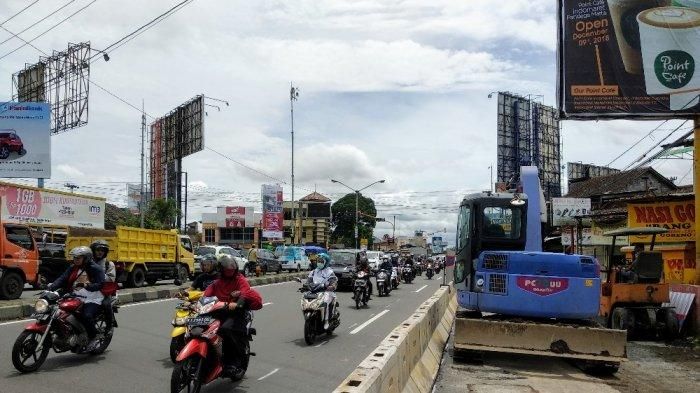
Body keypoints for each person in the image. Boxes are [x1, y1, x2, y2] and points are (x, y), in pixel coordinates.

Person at [204, 255, 262, 376]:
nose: (229, 270)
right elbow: (206, 294)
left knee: (226, 329)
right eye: (226, 268)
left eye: (231, 267)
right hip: (219, 311)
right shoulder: (217, 282)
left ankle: (233, 361)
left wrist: (237, 304)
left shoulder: (240, 279)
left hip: (237, 312)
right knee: (203, 328)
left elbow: (245, 293)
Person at [48, 246, 105, 351]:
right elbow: (62, 278)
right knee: (59, 312)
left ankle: (94, 337)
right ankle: (68, 334)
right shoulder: (73, 267)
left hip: (92, 298)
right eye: (74, 257)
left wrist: (86, 286)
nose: (75, 260)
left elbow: (100, 285)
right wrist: (50, 287)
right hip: (75, 296)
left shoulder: (96, 269)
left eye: (78, 258)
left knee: (87, 316)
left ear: (86, 258)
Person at [307, 253, 338, 330]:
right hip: (315, 291)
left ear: (325, 262)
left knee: (325, 301)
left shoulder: (329, 272)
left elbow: (333, 281)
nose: (319, 262)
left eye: (321, 261)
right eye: (318, 261)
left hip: (327, 292)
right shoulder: (313, 272)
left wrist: (332, 286)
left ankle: (326, 321)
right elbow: (309, 281)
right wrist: (306, 286)